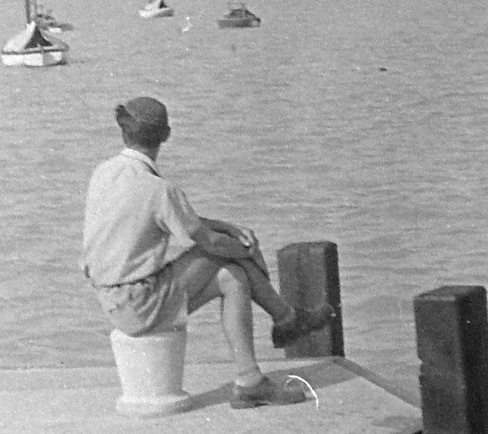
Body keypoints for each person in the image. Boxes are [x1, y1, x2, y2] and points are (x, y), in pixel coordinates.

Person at [81, 96, 334, 409]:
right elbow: (209, 243)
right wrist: (245, 248)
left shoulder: (103, 174)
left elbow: (177, 220)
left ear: (123, 133)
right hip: (141, 303)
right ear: (166, 135)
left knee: (233, 278)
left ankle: (250, 378)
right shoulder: (160, 190)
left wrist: (223, 226)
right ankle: (286, 319)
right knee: (225, 257)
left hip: (113, 301)